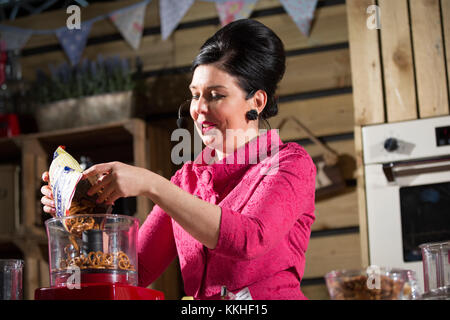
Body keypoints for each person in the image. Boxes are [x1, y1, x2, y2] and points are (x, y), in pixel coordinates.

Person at [40, 19, 316, 300]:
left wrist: (153, 184)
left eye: (216, 96)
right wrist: (82, 214)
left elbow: (248, 239)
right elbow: (135, 270)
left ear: (257, 102)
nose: (199, 109)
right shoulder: (187, 179)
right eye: (195, 95)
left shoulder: (290, 163)